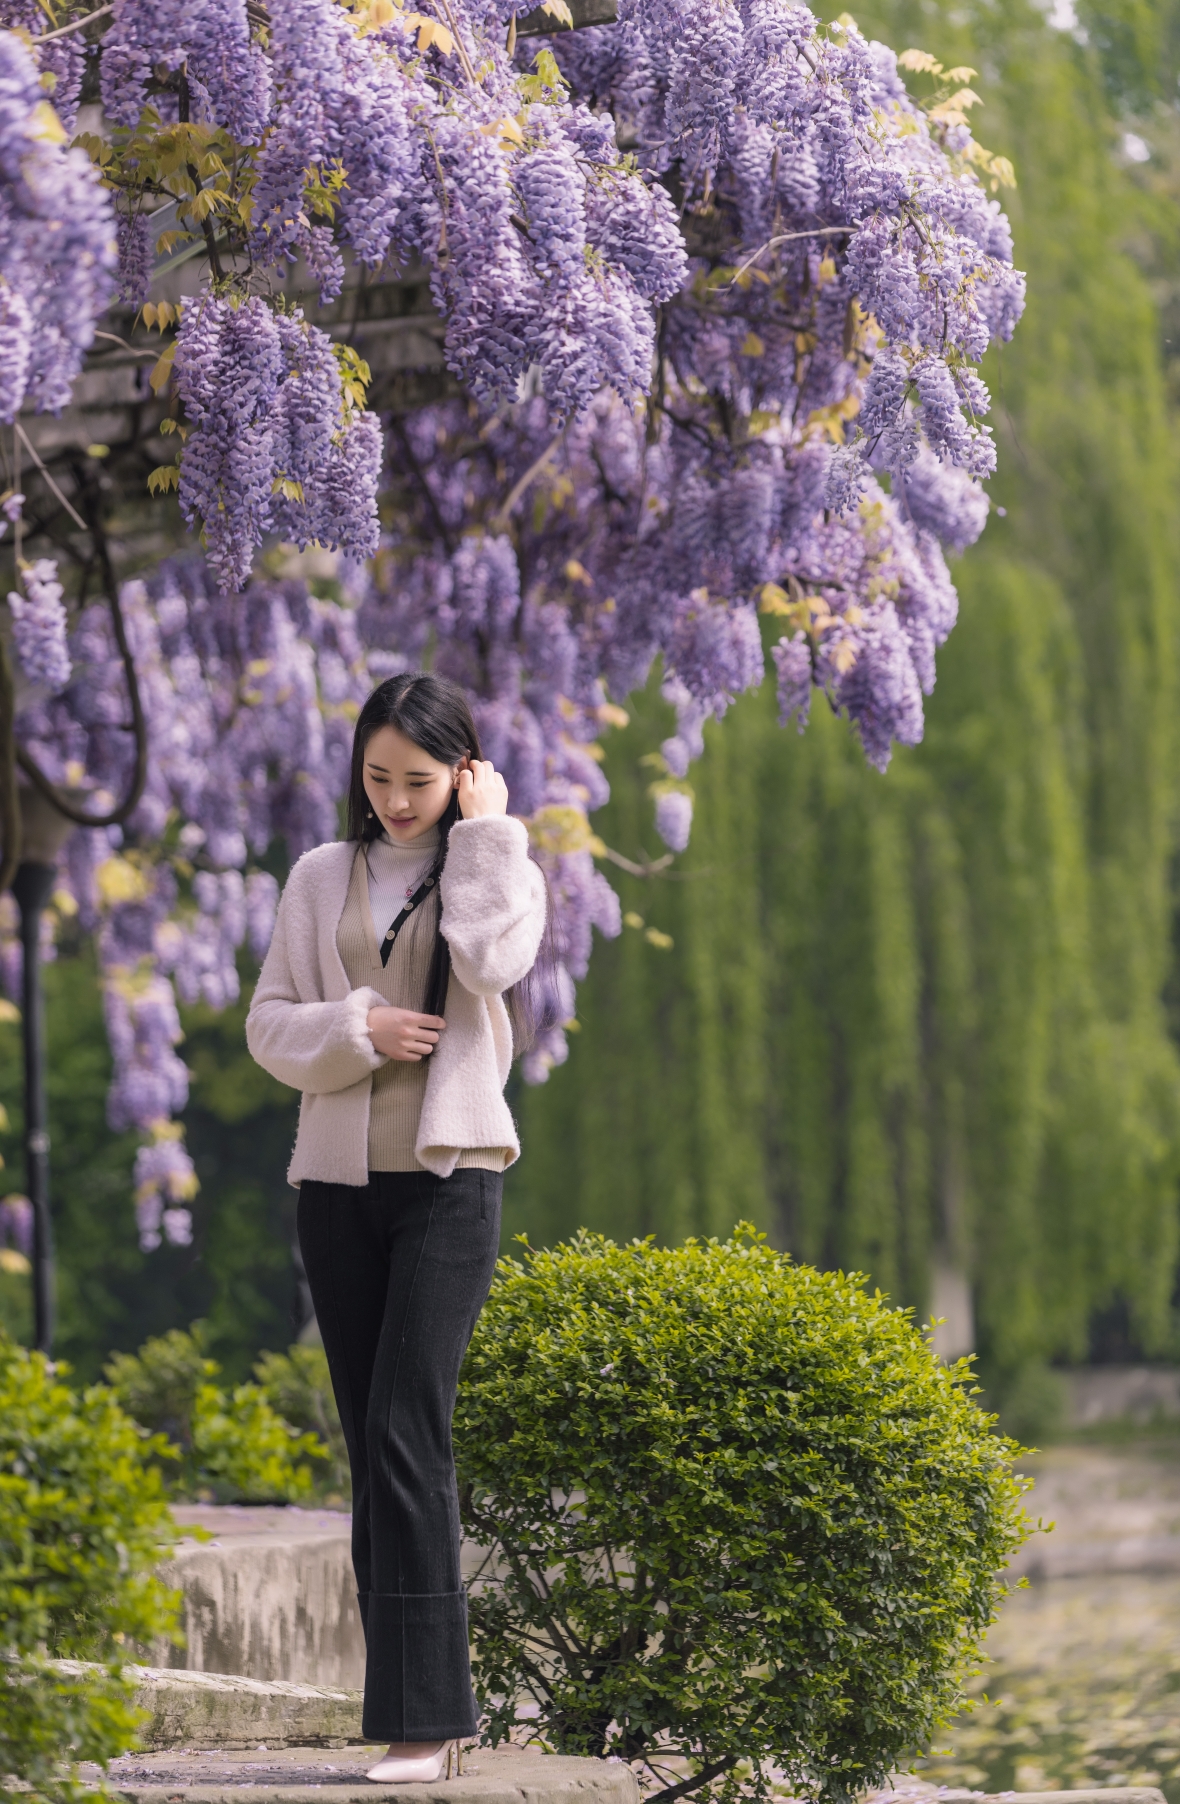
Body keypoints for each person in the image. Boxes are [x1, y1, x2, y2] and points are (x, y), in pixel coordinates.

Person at [246, 672, 548, 1783]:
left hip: (447, 1180)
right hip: (335, 1187)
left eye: (419, 781)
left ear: (461, 774)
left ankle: (431, 1722)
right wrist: (358, 1026)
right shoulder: (322, 874)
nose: (395, 799)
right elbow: (269, 1027)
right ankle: (406, 1713)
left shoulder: (501, 867)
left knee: (406, 1431)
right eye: (377, 778)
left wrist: (485, 834)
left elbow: (486, 963)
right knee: (370, 1451)